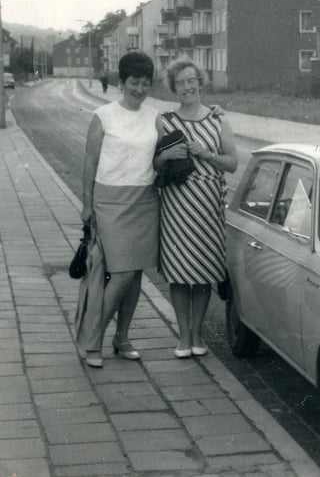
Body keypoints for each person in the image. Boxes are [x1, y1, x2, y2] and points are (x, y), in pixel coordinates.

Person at [78, 52, 161, 368]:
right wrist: (87, 203)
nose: (139, 89)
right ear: (122, 82)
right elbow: (89, 161)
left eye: (145, 83)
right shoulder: (104, 115)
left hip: (145, 201)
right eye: (134, 82)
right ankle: (93, 339)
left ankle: (121, 337)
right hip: (110, 202)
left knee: (135, 274)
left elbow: (167, 148)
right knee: (122, 273)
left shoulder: (155, 116)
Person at [154, 56, 238, 358]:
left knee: (203, 273)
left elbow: (232, 163)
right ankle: (183, 336)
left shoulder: (218, 119)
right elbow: (154, 163)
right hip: (177, 205)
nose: (187, 87)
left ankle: (198, 336)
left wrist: (206, 154)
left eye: (192, 80)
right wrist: (166, 156)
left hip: (207, 205)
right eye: (181, 83)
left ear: (199, 82)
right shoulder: (165, 121)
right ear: (174, 88)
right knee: (179, 273)